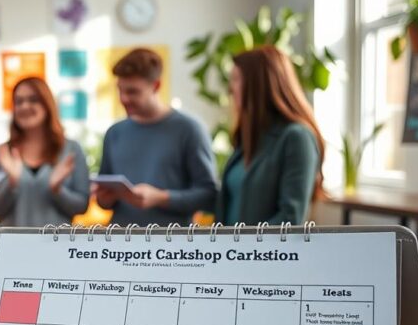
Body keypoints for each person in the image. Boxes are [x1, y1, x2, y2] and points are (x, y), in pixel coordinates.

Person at [94, 48, 216, 225]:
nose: (124, 98)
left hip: (172, 245)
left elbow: (208, 195)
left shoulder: (189, 129)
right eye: (120, 90)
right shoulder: (114, 133)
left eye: (133, 92)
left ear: (156, 86)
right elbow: (104, 200)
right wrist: (104, 199)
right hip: (120, 246)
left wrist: (161, 198)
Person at [217, 46, 324, 225]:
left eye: (236, 79)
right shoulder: (251, 138)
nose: (230, 89)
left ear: (258, 84)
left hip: (261, 253)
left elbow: (290, 219)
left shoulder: (297, 138)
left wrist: (248, 249)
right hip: (230, 252)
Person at [0, 77, 89, 226]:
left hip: (56, 246)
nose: (24, 106)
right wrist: (12, 183)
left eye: (33, 100)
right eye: (18, 102)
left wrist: (57, 190)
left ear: (47, 104)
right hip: (13, 247)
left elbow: (81, 206)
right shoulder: (3, 153)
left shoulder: (71, 150)